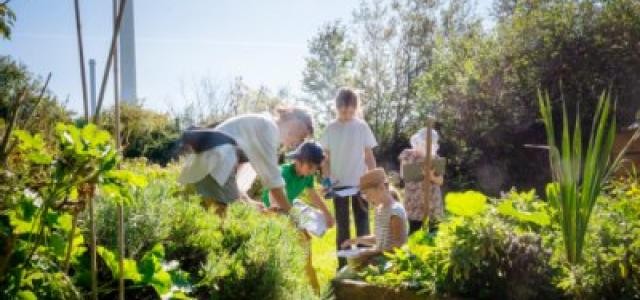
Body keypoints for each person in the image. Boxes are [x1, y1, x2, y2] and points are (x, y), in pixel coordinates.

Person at [178, 107, 314, 215]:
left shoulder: (261, 126)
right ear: (295, 121)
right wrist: (291, 214)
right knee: (218, 226)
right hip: (216, 166)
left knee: (200, 221)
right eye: (301, 136)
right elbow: (273, 181)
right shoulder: (269, 128)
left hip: (206, 168)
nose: (298, 142)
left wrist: (249, 201)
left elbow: (238, 183)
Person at [261, 141, 334, 294]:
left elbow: (312, 194)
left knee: (305, 244)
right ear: (298, 161)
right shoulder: (282, 173)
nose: (312, 171)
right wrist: (294, 218)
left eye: (315, 168)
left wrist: (327, 214)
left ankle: (313, 291)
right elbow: (276, 198)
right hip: (272, 213)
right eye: (310, 167)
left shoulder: (307, 176)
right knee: (294, 246)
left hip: (290, 211)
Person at [320, 88, 378, 269]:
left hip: (361, 185)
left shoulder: (361, 126)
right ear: (336, 108)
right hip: (338, 186)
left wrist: (374, 178)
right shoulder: (330, 128)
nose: (347, 115)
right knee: (343, 226)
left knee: (363, 223)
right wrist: (326, 182)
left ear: (356, 108)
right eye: (343, 111)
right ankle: (343, 265)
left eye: (351, 112)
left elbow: (368, 155)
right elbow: (325, 159)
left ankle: (364, 263)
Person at [340, 168, 408, 266]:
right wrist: (356, 240)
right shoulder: (379, 209)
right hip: (381, 258)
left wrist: (371, 253)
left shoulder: (395, 211)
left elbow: (398, 246)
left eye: (368, 194)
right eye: (364, 195)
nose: (366, 198)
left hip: (392, 263)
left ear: (381, 188)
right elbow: (379, 238)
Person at [398, 128, 444, 234]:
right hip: (414, 201)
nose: (425, 146)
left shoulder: (435, 158)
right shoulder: (407, 154)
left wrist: (432, 177)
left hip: (432, 200)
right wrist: (420, 171)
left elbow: (440, 181)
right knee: (415, 232)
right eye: (423, 143)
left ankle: (433, 250)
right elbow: (403, 174)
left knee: (434, 233)